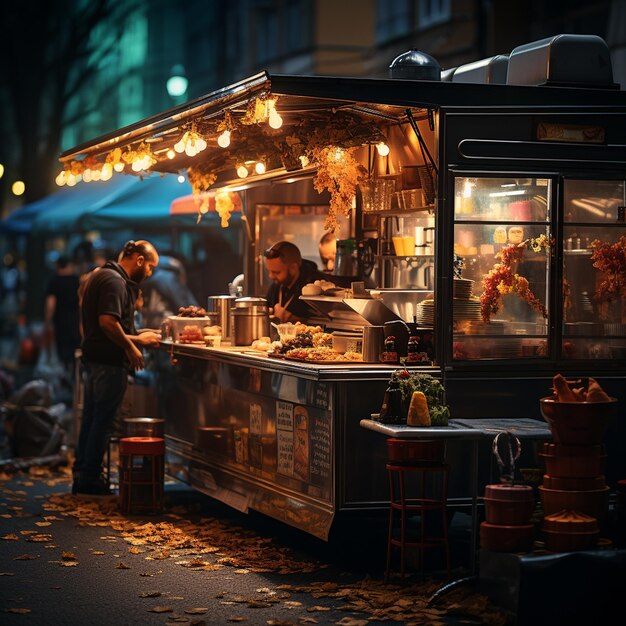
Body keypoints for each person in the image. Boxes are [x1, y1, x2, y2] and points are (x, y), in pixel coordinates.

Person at [72, 240, 161, 495]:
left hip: (95, 360)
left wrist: (142, 336)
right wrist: (132, 347)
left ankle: (83, 474)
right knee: (102, 421)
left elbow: (116, 325)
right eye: (150, 267)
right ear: (140, 261)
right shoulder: (115, 281)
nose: (150, 274)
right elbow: (108, 323)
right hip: (107, 363)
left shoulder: (104, 275)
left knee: (91, 418)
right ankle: (90, 478)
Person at [264, 241, 329, 323]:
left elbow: (326, 322)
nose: (271, 276)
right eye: (269, 271)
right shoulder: (276, 285)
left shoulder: (315, 287)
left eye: (276, 272)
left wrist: (295, 319)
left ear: (293, 268)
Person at [44, 256, 81, 378]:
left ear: (58, 266)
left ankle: (65, 375)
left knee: (62, 351)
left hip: (60, 322)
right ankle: (74, 378)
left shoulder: (54, 281)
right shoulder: (77, 280)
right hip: (75, 321)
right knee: (75, 352)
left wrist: (47, 321)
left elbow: (51, 304)